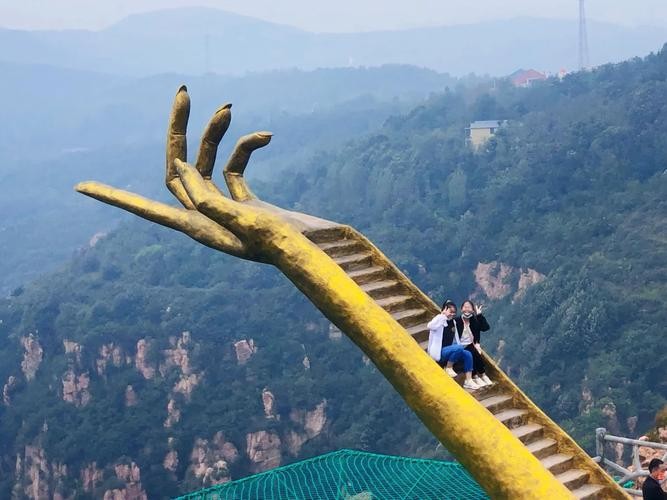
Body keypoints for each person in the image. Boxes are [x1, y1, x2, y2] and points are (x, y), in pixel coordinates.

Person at [427, 300, 481, 390]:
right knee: (459, 348)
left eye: (454, 313)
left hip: (449, 350)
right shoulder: (439, 320)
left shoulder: (453, 322)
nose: (452, 314)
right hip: (439, 351)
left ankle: (468, 380)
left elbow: (456, 339)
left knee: (467, 354)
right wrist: (442, 316)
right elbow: (430, 326)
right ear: (444, 310)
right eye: (450, 312)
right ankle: (448, 368)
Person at [455, 300, 493, 387]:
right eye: (465, 307)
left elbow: (485, 328)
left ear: (472, 310)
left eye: (469, 307)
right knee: (472, 351)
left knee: (474, 350)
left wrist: (479, 315)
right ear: (461, 309)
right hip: (459, 346)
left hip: (470, 345)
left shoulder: (474, 321)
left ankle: (482, 375)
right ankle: (476, 376)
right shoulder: (457, 321)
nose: (467, 309)